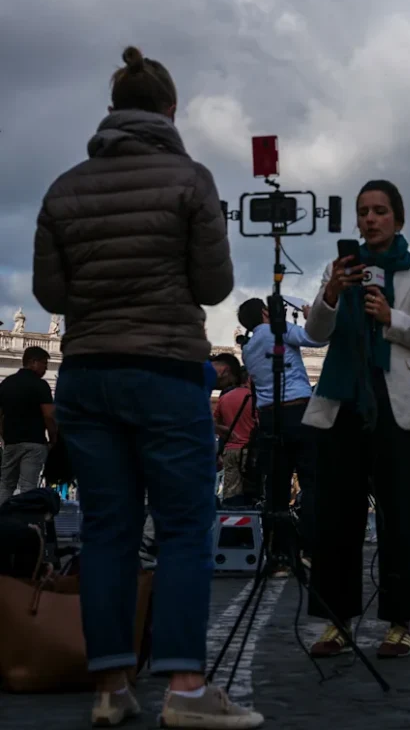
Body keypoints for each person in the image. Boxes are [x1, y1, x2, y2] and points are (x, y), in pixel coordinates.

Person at [32, 46, 258, 727]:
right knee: (186, 527)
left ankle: (109, 687)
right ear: (169, 111)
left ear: (111, 113)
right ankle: (186, 690)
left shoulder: (63, 188)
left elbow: (48, 291)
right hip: (162, 368)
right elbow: (215, 285)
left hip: (89, 373)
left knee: (106, 531)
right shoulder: (191, 181)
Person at [303, 179, 410, 660]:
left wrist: (391, 317)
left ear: (398, 219)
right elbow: (316, 334)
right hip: (341, 401)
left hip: (396, 407)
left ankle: (400, 622)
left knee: (399, 519)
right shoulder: (339, 269)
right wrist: (329, 293)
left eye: (380, 211)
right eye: (364, 211)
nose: (369, 218)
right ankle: (336, 622)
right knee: (335, 519)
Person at [237, 297, 326, 559]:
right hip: (298, 411)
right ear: (266, 312)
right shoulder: (279, 329)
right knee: (311, 481)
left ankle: (278, 549)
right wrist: (311, 317)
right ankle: (311, 546)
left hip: (268, 416)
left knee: (276, 486)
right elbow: (318, 339)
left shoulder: (248, 347)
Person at [0, 346, 57, 506]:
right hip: (34, 442)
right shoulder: (40, 385)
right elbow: (48, 415)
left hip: (11, 442)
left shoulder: (7, 383)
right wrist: (53, 437)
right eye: (44, 364)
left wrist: (3, 434)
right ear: (33, 362)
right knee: (28, 487)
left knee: (5, 484)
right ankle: (25, 525)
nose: (46, 368)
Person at [211, 353, 256, 507]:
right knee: (252, 489)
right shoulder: (254, 398)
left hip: (230, 450)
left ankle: (230, 523)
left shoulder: (225, 398)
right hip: (250, 451)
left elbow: (216, 422)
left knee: (231, 490)